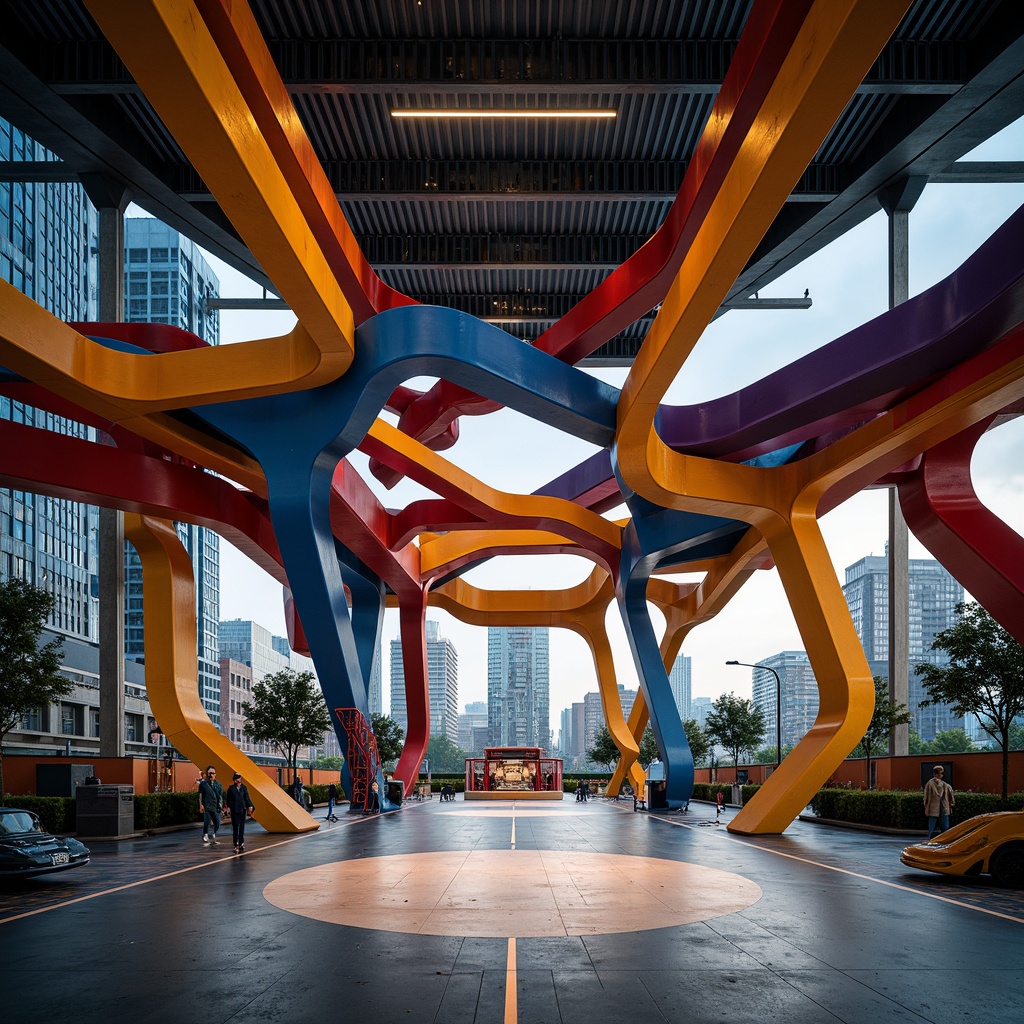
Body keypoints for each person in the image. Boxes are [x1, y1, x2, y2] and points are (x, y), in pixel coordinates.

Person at [224, 772, 255, 852]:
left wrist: (250, 806)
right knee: (235, 827)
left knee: (242, 827)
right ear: (235, 780)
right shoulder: (231, 789)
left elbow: (247, 798)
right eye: (238, 778)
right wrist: (229, 807)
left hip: (242, 810)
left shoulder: (244, 788)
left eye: (240, 778)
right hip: (235, 810)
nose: (239, 780)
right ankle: (236, 843)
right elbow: (228, 800)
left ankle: (241, 843)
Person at [923, 765, 955, 839]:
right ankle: (931, 838)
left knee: (944, 825)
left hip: (943, 807)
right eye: (937, 773)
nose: (938, 775)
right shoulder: (931, 783)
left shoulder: (945, 785)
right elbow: (927, 796)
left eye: (940, 773)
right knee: (934, 824)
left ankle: (945, 838)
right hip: (935, 807)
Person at [198, 766, 223, 845]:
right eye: (210, 773)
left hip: (216, 806)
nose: (211, 775)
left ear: (215, 774)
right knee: (207, 820)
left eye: (213, 773)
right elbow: (200, 795)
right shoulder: (203, 784)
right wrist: (201, 805)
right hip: (207, 805)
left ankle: (213, 834)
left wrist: (223, 806)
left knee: (217, 822)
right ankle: (205, 835)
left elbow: (221, 795)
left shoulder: (218, 784)